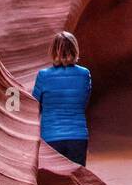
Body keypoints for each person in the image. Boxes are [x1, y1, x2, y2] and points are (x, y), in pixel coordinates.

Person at [31, 30, 91, 165]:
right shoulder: (84, 74)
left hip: (51, 137)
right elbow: (84, 101)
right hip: (78, 136)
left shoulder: (43, 75)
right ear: (75, 49)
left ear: (53, 51)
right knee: (77, 179)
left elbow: (35, 106)